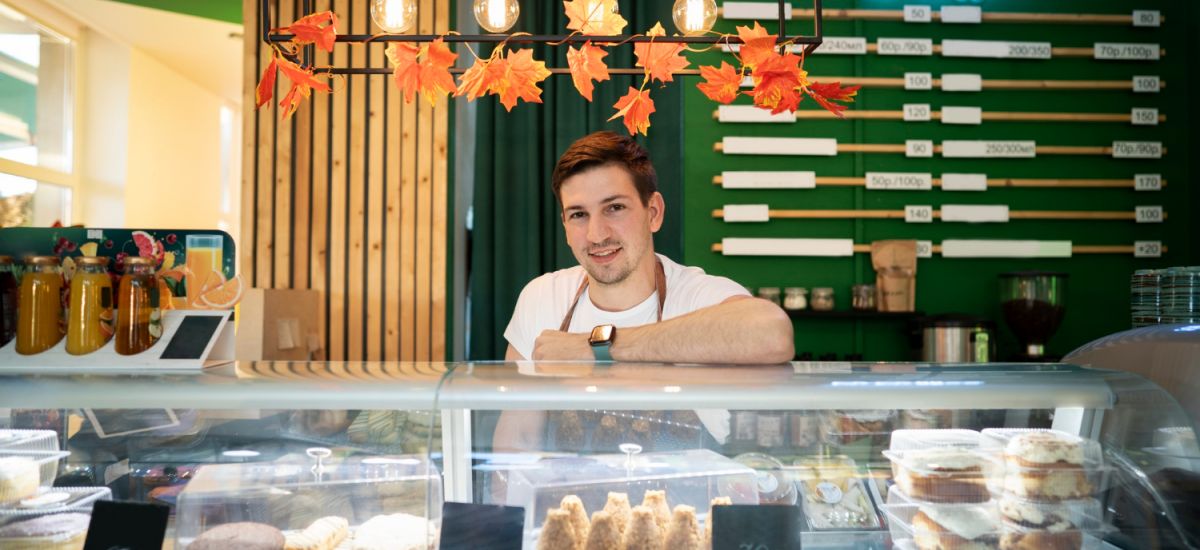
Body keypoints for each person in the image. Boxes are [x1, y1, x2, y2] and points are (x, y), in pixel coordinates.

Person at [503, 131, 794, 364]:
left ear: (653, 212)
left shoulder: (696, 296)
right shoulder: (541, 298)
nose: (596, 235)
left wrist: (594, 347)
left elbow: (772, 333)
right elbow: (519, 433)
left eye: (615, 207)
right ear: (565, 225)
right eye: (579, 214)